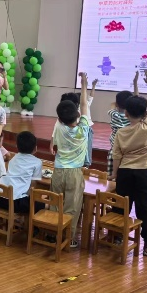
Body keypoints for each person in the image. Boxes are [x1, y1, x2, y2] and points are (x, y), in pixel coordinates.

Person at [110, 70, 147, 256]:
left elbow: (117, 156)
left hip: (125, 173)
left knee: (121, 205)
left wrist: (114, 174)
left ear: (126, 112)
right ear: (145, 112)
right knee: (145, 208)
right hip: (144, 174)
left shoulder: (121, 133)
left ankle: (117, 236)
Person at [51, 72, 92, 247]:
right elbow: (84, 104)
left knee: (55, 204)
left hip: (58, 171)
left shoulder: (59, 126)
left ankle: (52, 234)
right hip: (75, 173)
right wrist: (84, 84)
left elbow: (76, 108)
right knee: (72, 207)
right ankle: (69, 237)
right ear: (77, 114)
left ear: (60, 118)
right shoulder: (83, 128)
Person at [0, 132, 39, 213]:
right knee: (42, 204)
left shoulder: (13, 159)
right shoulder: (37, 162)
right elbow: (32, 187)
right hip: (13, 202)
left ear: (17, 146)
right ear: (35, 149)